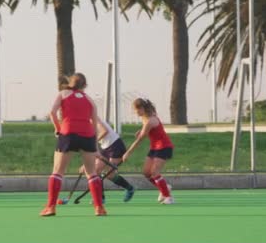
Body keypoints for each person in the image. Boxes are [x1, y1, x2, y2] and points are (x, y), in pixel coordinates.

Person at [41, 73, 106, 216]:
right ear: (85, 85)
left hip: (68, 133)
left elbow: (52, 112)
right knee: (92, 173)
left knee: (57, 171)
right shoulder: (90, 100)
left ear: (70, 82)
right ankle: (99, 208)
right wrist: (95, 148)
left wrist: (58, 128)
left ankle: (51, 207)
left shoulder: (63, 93)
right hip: (87, 136)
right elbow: (94, 126)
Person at [122, 98, 174, 204]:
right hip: (154, 147)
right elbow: (146, 129)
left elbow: (140, 139)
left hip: (164, 147)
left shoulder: (150, 120)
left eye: (136, 111)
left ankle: (168, 197)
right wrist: (141, 130)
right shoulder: (145, 117)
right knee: (146, 173)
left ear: (142, 108)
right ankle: (165, 187)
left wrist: (128, 153)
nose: (135, 113)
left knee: (154, 172)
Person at [79, 117, 135, 203]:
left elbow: (105, 131)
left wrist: (92, 141)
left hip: (115, 145)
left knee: (109, 174)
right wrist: (86, 164)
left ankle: (129, 188)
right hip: (104, 147)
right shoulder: (84, 125)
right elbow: (94, 148)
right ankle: (101, 198)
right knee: (96, 171)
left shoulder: (92, 118)